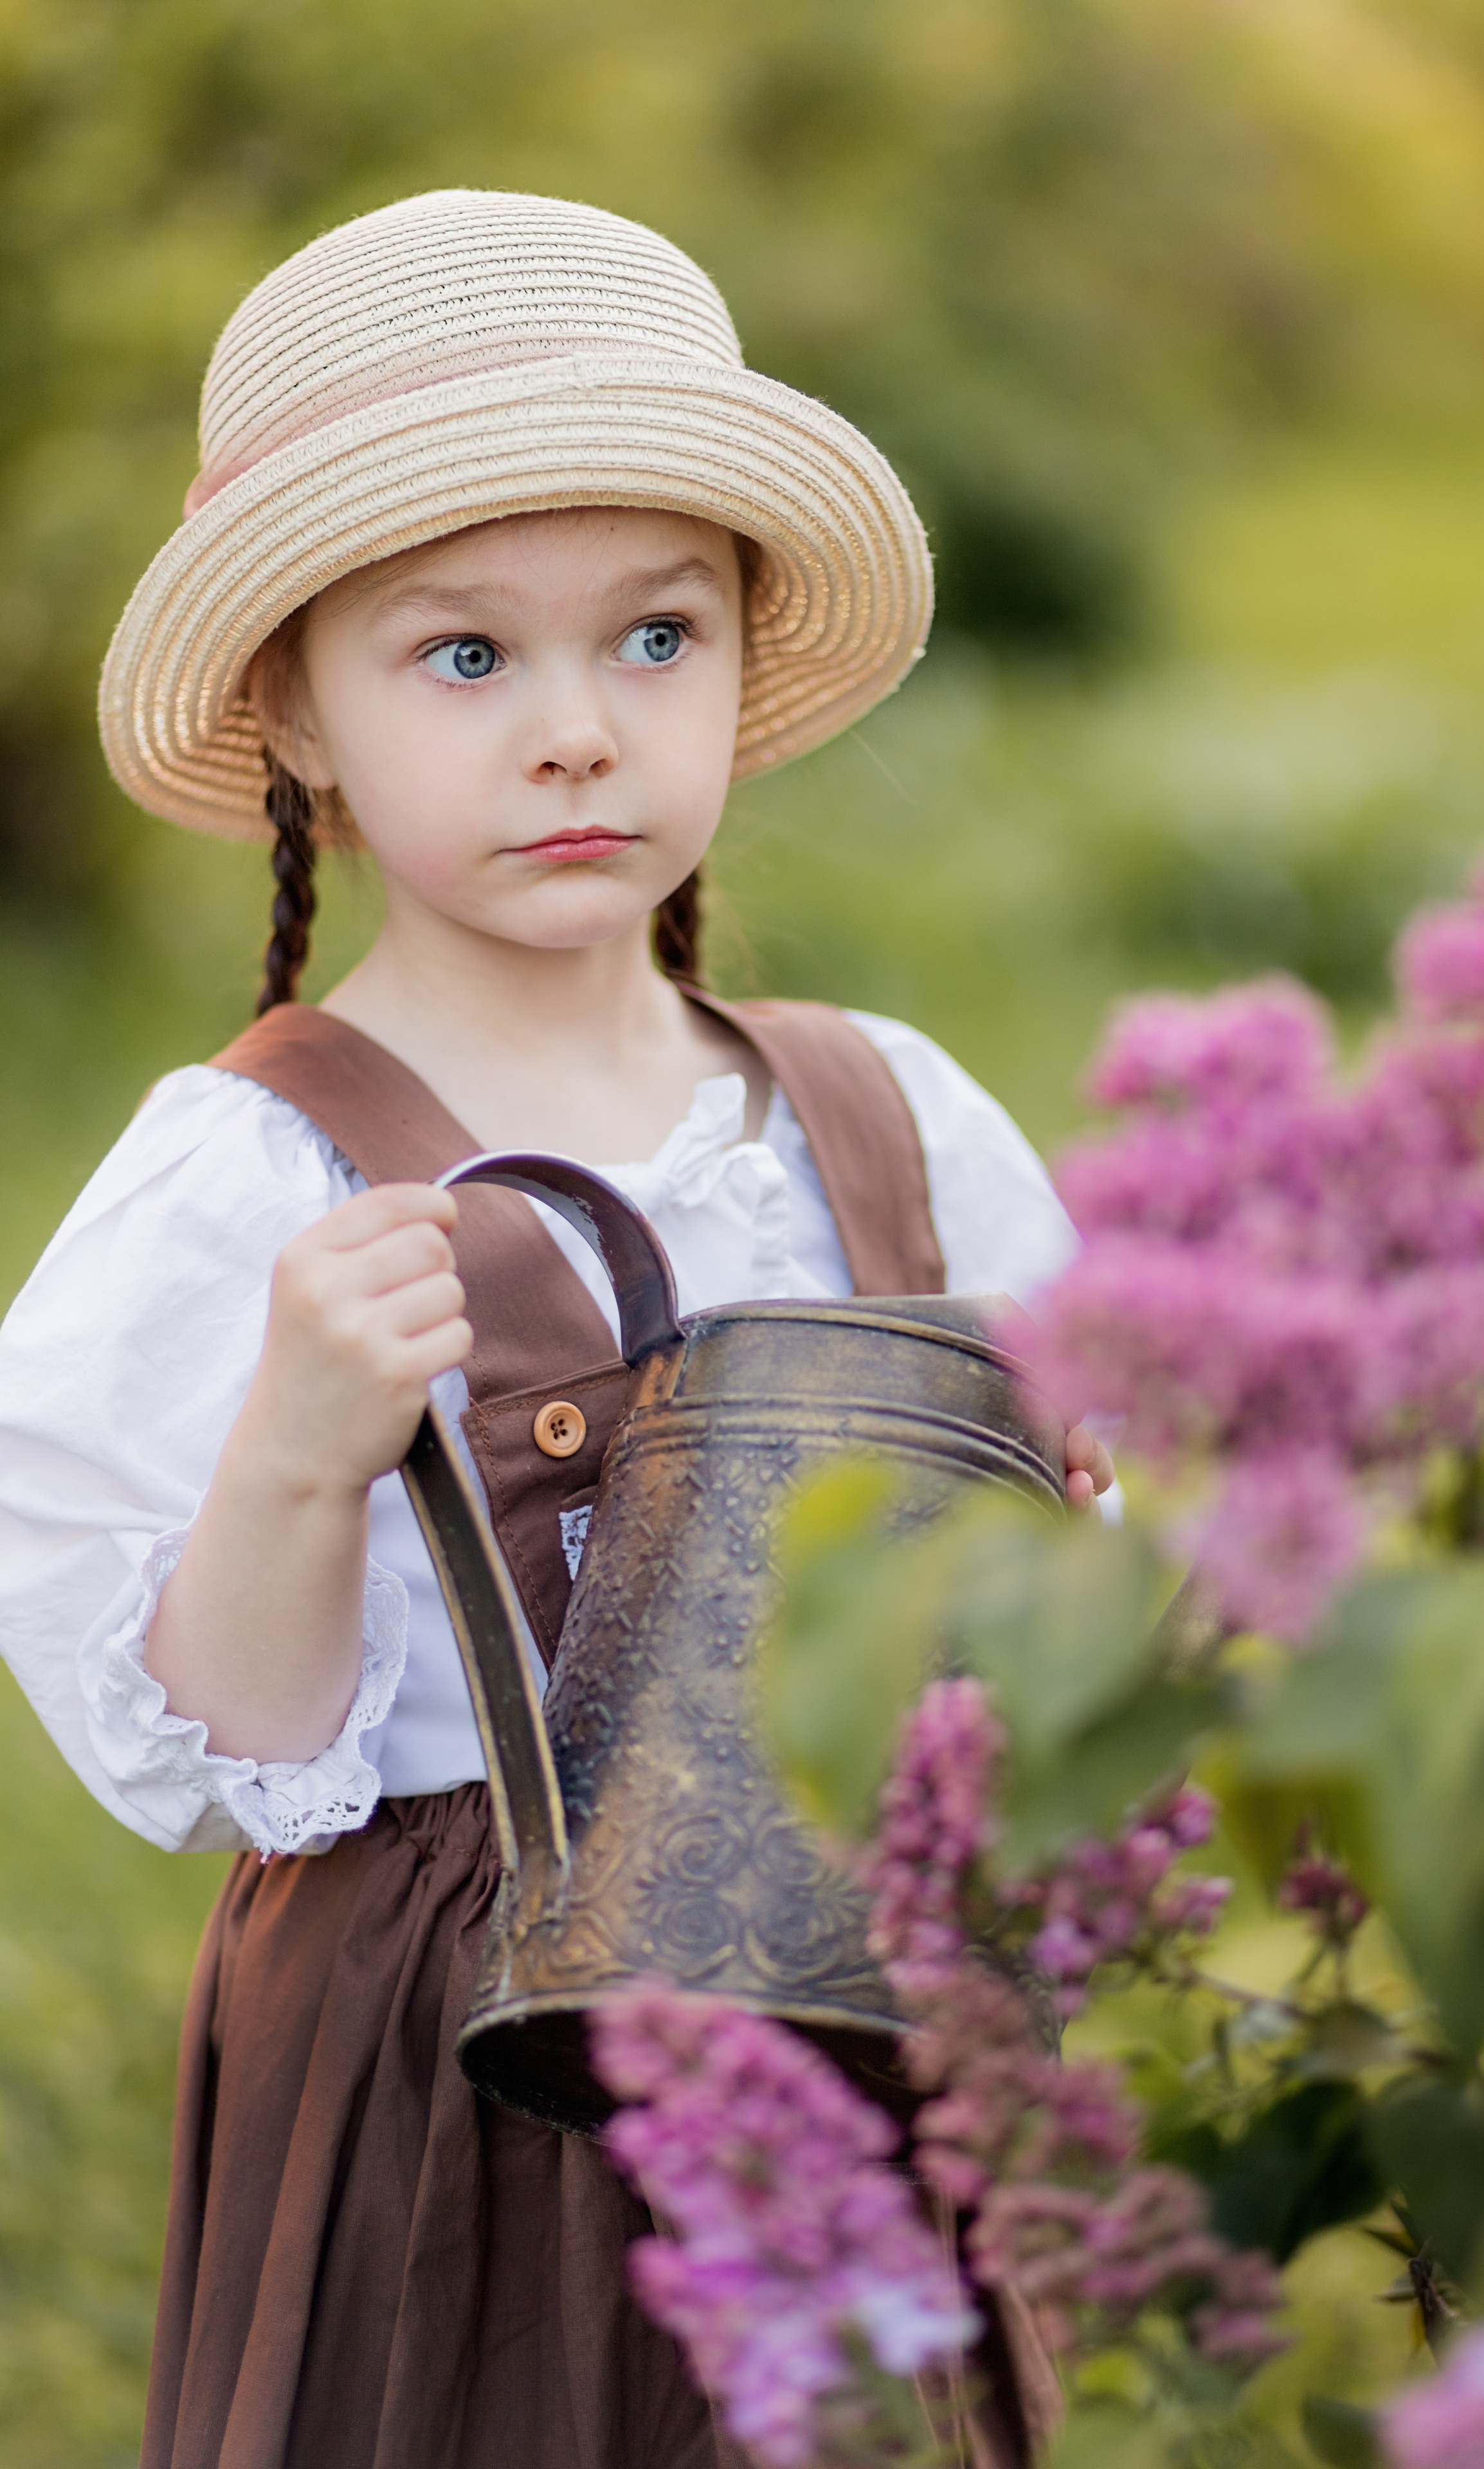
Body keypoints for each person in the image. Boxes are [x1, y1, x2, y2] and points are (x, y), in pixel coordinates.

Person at [0, 191, 1108, 2468]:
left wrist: (1067, 1550)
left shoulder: (882, 1121)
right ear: (294, 710)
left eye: (657, 637)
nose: (580, 734)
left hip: (856, 2030)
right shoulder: (252, 1181)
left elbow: (1073, 1572)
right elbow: (214, 1756)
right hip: (445, 2085)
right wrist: (299, 1449)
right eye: (465, 658)